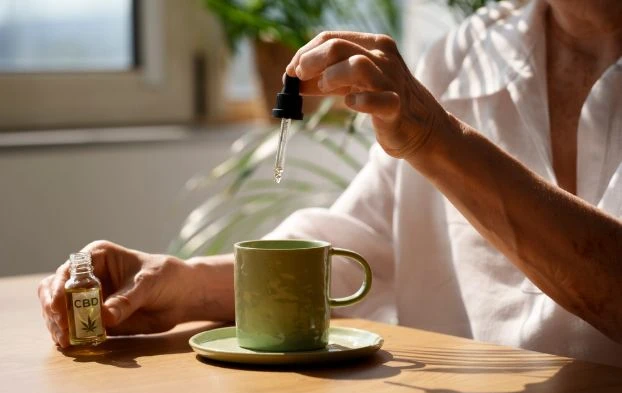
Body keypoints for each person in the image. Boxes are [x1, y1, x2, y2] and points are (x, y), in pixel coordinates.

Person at [38, 0, 622, 366]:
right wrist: (179, 284)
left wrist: (437, 140)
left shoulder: (443, 92)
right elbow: (354, 247)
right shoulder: (469, 53)